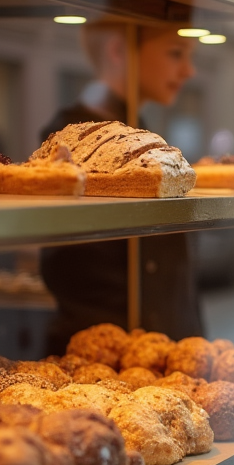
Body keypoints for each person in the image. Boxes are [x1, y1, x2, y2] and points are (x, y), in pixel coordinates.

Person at [39, 22, 204, 355]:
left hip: (158, 354)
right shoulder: (70, 144)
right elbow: (80, 277)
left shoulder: (139, 133)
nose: (188, 70)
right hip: (103, 358)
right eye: (175, 53)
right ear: (118, 51)